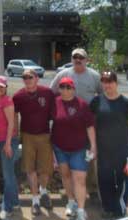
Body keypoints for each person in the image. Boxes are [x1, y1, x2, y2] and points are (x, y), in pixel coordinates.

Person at [50, 48, 102, 201]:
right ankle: (70, 191)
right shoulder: (63, 75)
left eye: (81, 57)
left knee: (89, 157)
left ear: (86, 59)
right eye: (75, 57)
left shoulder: (94, 76)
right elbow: (51, 92)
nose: (78, 59)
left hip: (87, 124)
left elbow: (102, 94)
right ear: (71, 59)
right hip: (66, 125)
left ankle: (91, 188)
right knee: (66, 161)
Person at [90, 71, 128, 219]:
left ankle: (120, 209)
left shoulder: (126, 103)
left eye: (110, 81)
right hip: (103, 150)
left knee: (123, 180)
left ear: (116, 83)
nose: (107, 85)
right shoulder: (96, 101)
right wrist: (93, 147)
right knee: (104, 180)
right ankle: (108, 208)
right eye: (104, 81)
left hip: (122, 150)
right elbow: (90, 126)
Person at [51, 77, 97, 220]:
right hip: (59, 148)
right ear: (59, 89)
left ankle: (81, 210)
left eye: (68, 87)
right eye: (62, 87)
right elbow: (49, 124)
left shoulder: (82, 105)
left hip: (79, 149)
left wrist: (93, 146)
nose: (65, 90)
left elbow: (90, 127)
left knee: (80, 179)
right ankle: (71, 202)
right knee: (65, 176)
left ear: (73, 89)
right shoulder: (54, 103)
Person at [13, 69, 55, 216]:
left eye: (30, 77)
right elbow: (14, 115)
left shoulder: (48, 93)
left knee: (45, 169)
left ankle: (43, 191)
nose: (27, 79)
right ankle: (35, 200)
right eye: (24, 77)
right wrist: (15, 134)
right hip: (27, 136)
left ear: (37, 78)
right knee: (30, 168)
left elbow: (54, 115)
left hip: (44, 135)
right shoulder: (18, 96)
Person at [0, 75, 20, 219]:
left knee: (7, 175)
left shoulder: (8, 101)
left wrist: (8, 143)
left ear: (6, 87)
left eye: (1, 86)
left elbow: (11, 124)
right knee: (8, 173)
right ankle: (15, 201)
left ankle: (7, 208)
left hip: (7, 141)